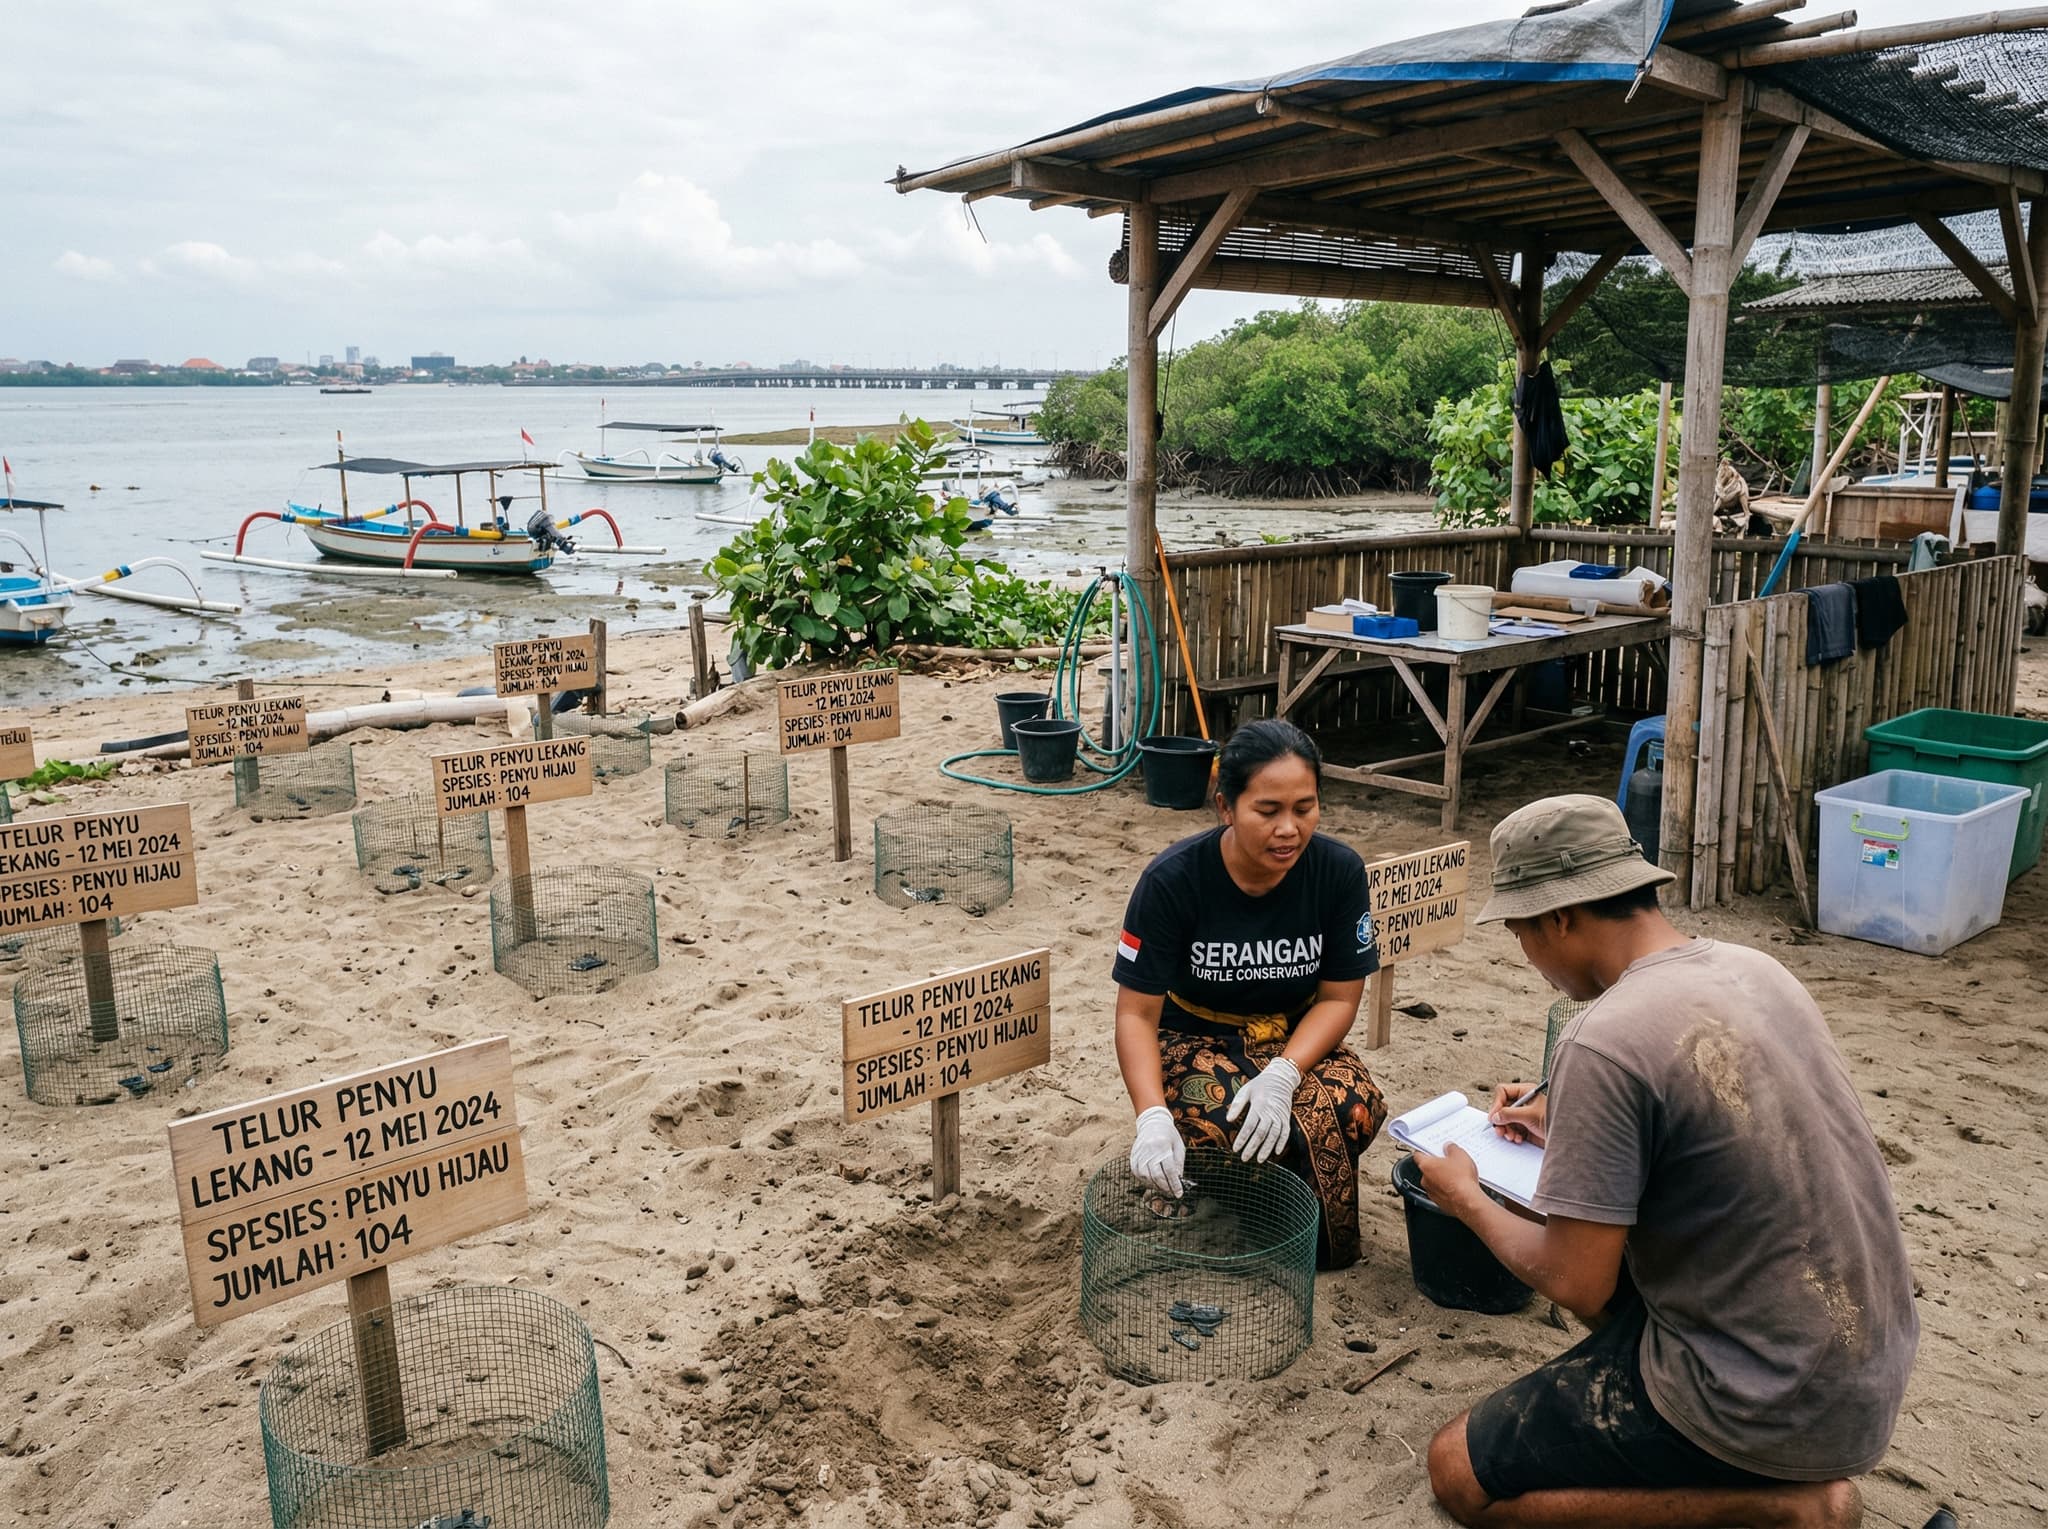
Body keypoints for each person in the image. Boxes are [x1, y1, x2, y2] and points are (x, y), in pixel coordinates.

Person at [1414, 794, 1918, 1529]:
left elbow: (1576, 1280)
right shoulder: (1757, 970)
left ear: (1561, 917)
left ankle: (1787, 1506)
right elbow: (1724, 1135)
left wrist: (1466, 1197)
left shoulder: (1601, 1037)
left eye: (1521, 932)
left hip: (1765, 1395)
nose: (1527, 956)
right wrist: (1567, 1125)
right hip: (1862, 1361)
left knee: (1458, 1472)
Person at [1113, 718, 1386, 1268]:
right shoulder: (1172, 881)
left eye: (1305, 808)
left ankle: (1294, 1212)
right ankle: (1225, 1188)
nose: (1289, 829)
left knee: (1351, 1104)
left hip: (1295, 1034)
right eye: (1268, 811)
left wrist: (1284, 1074)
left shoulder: (1338, 872)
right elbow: (1136, 1015)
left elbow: (1339, 999)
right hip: (1195, 1036)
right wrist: (1151, 1116)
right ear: (1226, 807)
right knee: (1218, 1121)